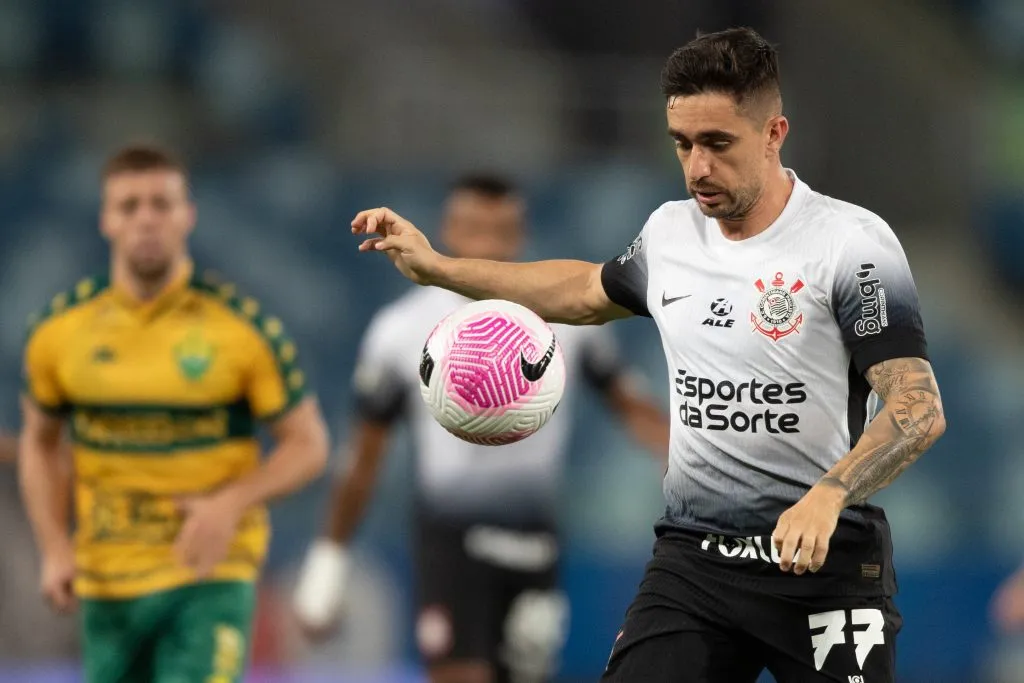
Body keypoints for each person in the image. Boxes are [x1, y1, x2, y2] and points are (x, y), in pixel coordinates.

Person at [348, 27, 946, 683]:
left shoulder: (851, 244)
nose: (697, 168)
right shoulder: (669, 233)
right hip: (695, 567)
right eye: (683, 144)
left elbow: (918, 407)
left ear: (775, 133)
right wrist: (439, 267)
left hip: (821, 565)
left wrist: (829, 494)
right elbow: (579, 291)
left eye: (718, 143)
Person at [293, 174, 669, 683]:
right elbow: (363, 457)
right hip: (449, 540)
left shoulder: (565, 323)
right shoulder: (401, 330)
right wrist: (329, 557)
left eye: (501, 230)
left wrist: (692, 463)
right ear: (448, 230)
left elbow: (632, 408)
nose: (488, 243)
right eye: (474, 228)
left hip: (534, 538)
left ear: (520, 235)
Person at [19, 144, 330, 683]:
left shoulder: (242, 329)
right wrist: (52, 546)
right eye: (129, 205)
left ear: (187, 215)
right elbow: (39, 443)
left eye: (161, 204)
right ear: (106, 220)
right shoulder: (58, 333)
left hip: (209, 576)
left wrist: (230, 504)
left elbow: (309, 445)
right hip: (108, 584)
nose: (146, 219)